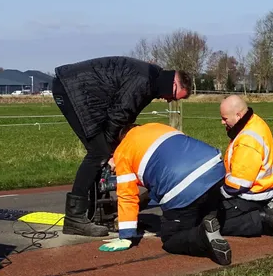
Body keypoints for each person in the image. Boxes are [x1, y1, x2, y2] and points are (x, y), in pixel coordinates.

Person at [51, 56, 192, 237]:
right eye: (172, 95)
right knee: (98, 153)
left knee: (101, 153)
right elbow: (119, 114)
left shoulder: (151, 79)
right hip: (72, 90)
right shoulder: (145, 81)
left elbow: (126, 114)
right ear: (173, 82)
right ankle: (75, 217)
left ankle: (96, 213)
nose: (168, 100)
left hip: (83, 92)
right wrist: (111, 151)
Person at [99, 122, 232, 266]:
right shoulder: (157, 126)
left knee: (170, 238)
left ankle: (203, 236)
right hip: (215, 169)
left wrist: (126, 235)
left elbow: (127, 197)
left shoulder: (123, 151)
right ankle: (214, 220)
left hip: (182, 186)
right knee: (204, 211)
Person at [218, 95, 273, 240]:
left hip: (253, 194)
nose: (222, 122)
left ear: (238, 115)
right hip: (267, 188)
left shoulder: (247, 140)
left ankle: (264, 219)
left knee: (214, 220)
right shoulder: (255, 121)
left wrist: (215, 194)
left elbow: (237, 185)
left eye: (225, 118)